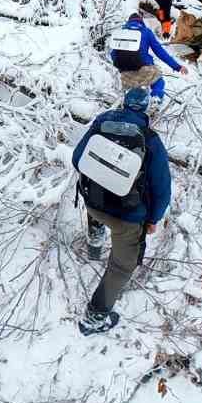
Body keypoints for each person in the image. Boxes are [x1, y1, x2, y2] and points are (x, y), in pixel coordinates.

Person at [72, 87, 172, 334]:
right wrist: (153, 219)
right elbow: (162, 190)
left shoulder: (102, 122)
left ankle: (94, 246)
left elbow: (77, 158)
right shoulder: (150, 140)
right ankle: (94, 318)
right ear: (146, 109)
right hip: (127, 217)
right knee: (120, 267)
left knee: (98, 210)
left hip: (93, 203)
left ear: (124, 103)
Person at [109, 10, 188, 101]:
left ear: (129, 22)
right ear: (141, 21)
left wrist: (123, 67)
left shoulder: (121, 32)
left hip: (124, 74)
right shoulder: (146, 32)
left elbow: (113, 54)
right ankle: (155, 100)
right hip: (143, 69)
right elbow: (160, 52)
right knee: (158, 81)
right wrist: (177, 67)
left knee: (129, 94)